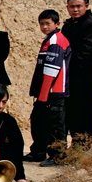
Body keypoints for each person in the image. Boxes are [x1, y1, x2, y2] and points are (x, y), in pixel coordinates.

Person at [61, 0, 92, 146]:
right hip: (71, 75)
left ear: (86, 6)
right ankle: (78, 142)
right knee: (73, 109)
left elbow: (88, 53)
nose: (75, 9)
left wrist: (69, 66)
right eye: (72, 6)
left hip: (85, 75)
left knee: (86, 107)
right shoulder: (69, 24)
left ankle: (90, 142)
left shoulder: (91, 24)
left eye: (78, 6)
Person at [26, 9, 71, 167]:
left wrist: (44, 95)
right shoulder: (49, 40)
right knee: (38, 121)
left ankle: (58, 156)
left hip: (54, 92)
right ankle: (38, 151)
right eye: (41, 24)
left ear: (57, 24)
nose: (44, 26)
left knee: (55, 125)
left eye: (47, 23)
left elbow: (52, 71)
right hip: (44, 92)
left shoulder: (56, 41)